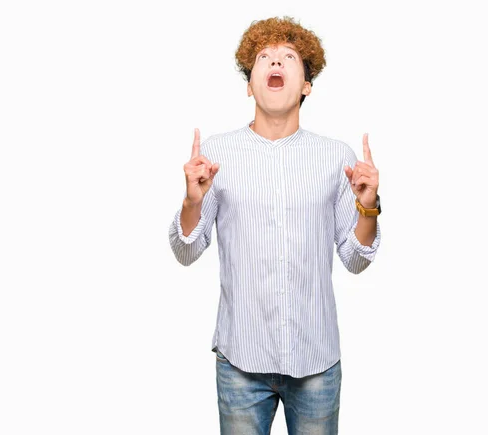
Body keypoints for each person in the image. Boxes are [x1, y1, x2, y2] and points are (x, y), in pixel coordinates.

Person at [168, 16, 382, 435]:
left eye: (288, 57)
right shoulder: (216, 154)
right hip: (241, 364)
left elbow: (356, 260)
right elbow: (186, 250)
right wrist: (192, 201)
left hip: (316, 362)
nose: (275, 63)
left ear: (306, 84)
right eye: (263, 58)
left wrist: (368, 208)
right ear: (250, 84)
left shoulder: (334, 158)